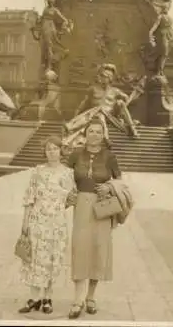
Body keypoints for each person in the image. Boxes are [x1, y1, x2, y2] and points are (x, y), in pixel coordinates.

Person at [65, 117, 122, 319]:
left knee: (99, 248)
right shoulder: (75, 154)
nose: (95, 135)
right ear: (85, 134)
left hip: (102, 207)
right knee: (80, 248)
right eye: (91, 131)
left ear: (103, 135)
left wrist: (109, 186)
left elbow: (120, 181)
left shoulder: (109, 156)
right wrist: (69, 193)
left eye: (99, 131)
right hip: (81, 205)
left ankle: (90, 297)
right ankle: (77, 299)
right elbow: (65, 179)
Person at [18, 136, 76, 315]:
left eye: (55, 148)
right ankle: (34, 298)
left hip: (56, 223)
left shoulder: (67, 173)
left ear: (61, 151)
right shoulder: (37, 171)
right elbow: (29, 198)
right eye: (48, 149)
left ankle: (47, 298)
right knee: (35, 259)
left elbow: (71, 197)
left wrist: (56, 208)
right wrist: (25, 223)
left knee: (52, 259)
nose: (51, 152)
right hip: (37, 221)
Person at [64, 63, 140, 146]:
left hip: (111, 118)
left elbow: (128, 100)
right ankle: (106, 138)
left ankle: (132, 128)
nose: (101, 77)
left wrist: (134, 94)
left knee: (120, 103)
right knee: (100, 113)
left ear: (110, 78)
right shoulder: (92, 89)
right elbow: (82, 105)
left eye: (104, 76)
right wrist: (74, 119)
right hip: (96, 116)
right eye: (101, 75)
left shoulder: (115, 91)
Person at [149, 4, 173, 76]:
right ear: (163, 9)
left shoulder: (170, 18)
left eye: (167, 8)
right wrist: (150, 33)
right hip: (162, 36)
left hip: (169, 36)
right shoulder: (160, 17)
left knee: (165, 54)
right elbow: (156, 25)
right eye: (165, 8)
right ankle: (158, 70)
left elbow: (171, 28)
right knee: (163, 52)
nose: (166, 9)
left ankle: (160, 70)